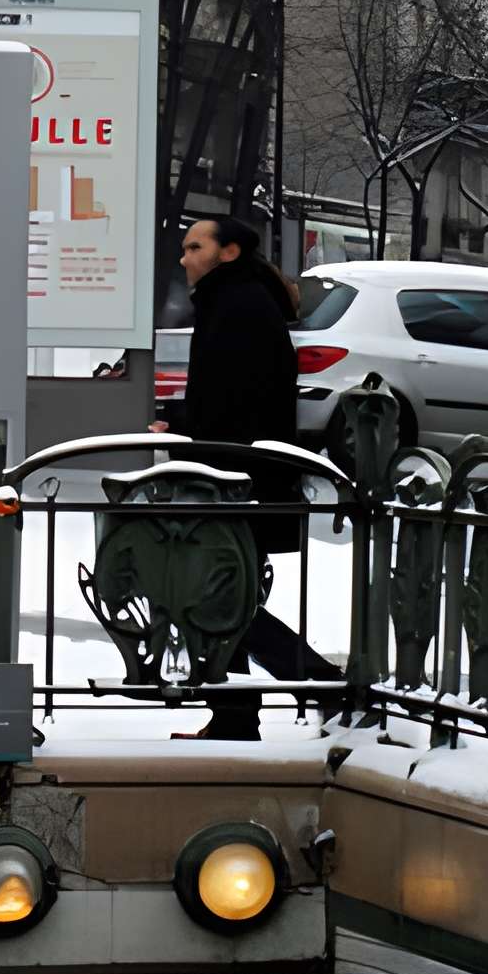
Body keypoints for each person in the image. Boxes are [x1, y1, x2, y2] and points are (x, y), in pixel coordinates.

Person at [155, 215, 335, 740]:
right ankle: (236, 715)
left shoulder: (238, 307)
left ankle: (323, 684)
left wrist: (181, 423)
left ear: (228, 252)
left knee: (220, 598)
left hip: (240, 478)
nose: (185, 258)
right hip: (242, 474)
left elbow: (237, 403)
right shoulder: (236, 301)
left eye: (194, 247)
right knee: (222, 596)